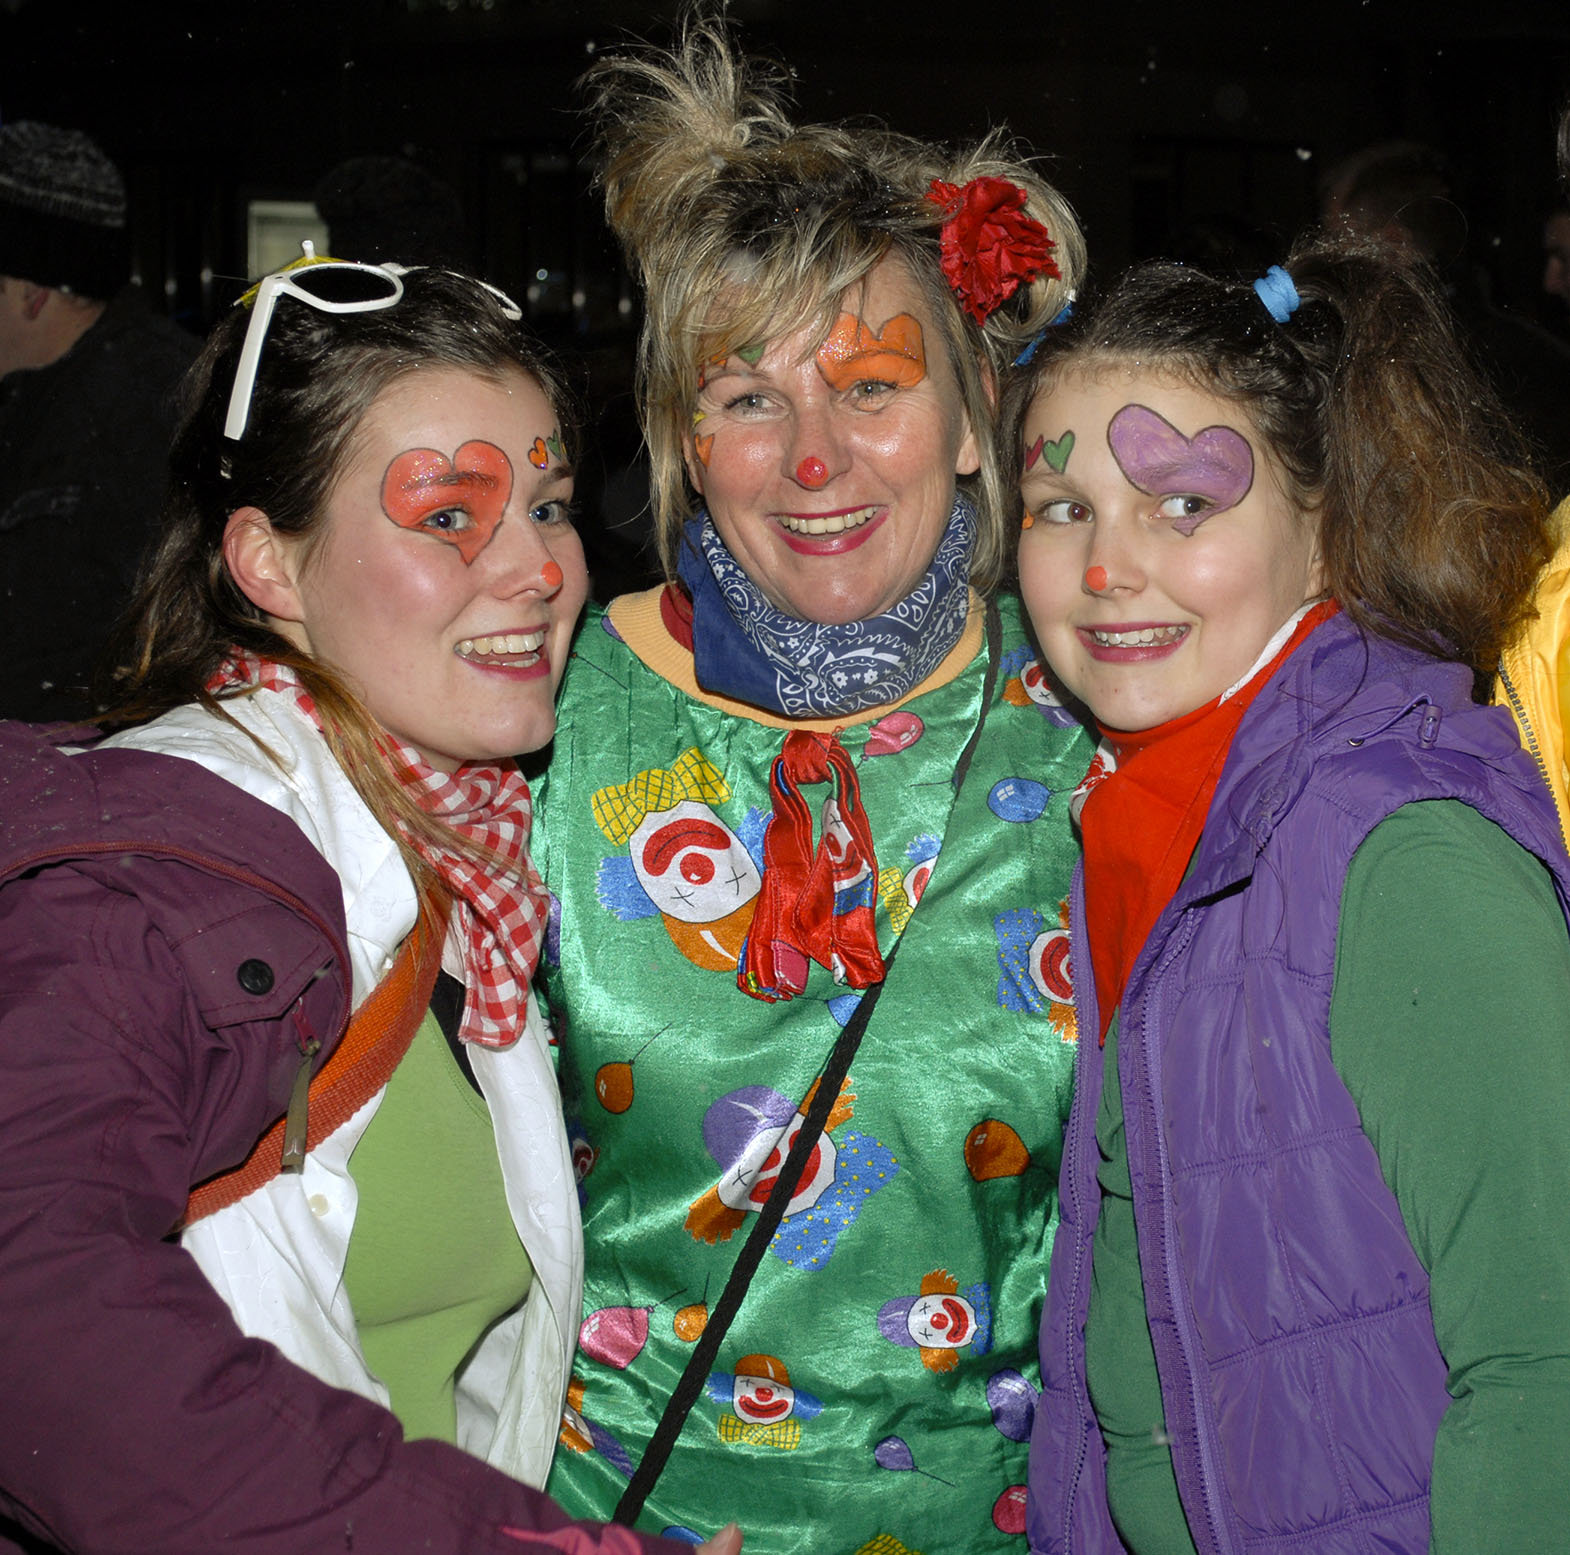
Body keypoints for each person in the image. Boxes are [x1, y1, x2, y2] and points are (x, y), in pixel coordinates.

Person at [0, 255, 735, 1555]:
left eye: (550, 505)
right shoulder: (160, 884)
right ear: (267, 563)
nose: (538, 568)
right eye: (449, 515)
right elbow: (36, 1295)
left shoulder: (458, 841)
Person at [529, 15, 1090, 1554]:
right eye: (748, 397)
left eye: (870, 387)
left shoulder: (1089, 727)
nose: (814, 458)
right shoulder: (540, 721)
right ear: (681, 436)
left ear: (974, 419)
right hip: (605, 1516)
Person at [1012, 237, 1570, 1554]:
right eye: (1060, 507)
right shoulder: (1134, 822)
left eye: (1182, 503)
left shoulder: (1402, 854)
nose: (1106, 567)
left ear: (1323, 535)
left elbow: (1541, 1365)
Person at [0, 119, 197, 722]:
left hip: (87, 760)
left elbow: (172, 646)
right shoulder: (36, 389)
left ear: (32, 292)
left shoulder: (158, 406)